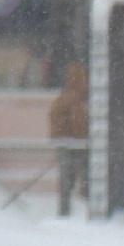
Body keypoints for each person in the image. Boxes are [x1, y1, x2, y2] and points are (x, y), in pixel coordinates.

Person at [48, 62, 89, 218]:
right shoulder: (78, 101)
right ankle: (81, 210)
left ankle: (65, 211)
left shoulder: (61, 99)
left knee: (66, 180)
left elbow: (55, 121)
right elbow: (79, 123)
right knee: (82, 178)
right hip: (77, 145)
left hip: (63, 144)